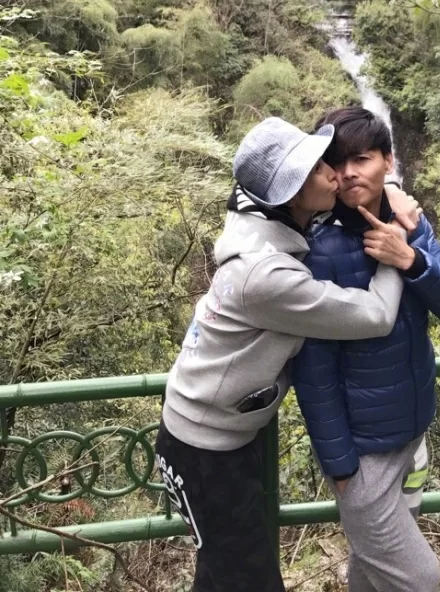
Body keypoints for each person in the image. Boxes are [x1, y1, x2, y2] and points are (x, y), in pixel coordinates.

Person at [155, 116, 420, 592]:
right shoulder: (268, 277)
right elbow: (378, 315)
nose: (336, 174)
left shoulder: (261, 220)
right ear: (294, 192)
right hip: (205, 450)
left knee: (220, 575)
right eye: (320, 168)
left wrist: (392, 190)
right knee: (249, 580)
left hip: (222, 433)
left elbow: (362, 184)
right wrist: (398, 245)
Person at [292, 107, 440, 592]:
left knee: (372, 569)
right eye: (337, 162)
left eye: (362, 159)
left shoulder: (410, 222)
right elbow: (314, 370)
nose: (350, 172)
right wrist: (341, 467)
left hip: (413, 434)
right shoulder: (320, 249)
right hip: (363, 453)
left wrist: (411, 259)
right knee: (419, 578)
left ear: (388, 162)